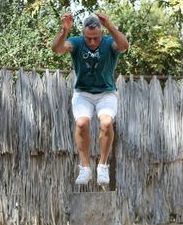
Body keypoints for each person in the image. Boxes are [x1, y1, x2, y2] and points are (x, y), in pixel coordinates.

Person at [51, 12, 129, 185]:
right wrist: (64, 31)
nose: (92, 42)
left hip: (106, 93)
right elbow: (56, 49)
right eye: (88, 38)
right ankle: (85, 167)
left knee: (107, 123)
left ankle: (102, 166)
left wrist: (109, 25)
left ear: (101, 33)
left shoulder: (109, 42)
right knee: (81, 123)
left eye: (95, 38)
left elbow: (124, 46)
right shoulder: (77, 42)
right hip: (83, 93)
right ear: (83, 34)